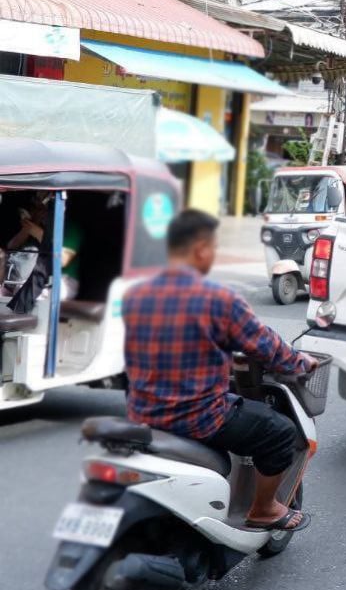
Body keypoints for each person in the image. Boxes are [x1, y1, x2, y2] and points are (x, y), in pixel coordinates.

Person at [123, 208, 316, 532]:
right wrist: (300, 362)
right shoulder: (217, 299)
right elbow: (264, 344)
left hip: (142, 410)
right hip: (196, 416)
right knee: (280, 433)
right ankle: (264, 509)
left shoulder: (137, 294)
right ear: (200, 250)